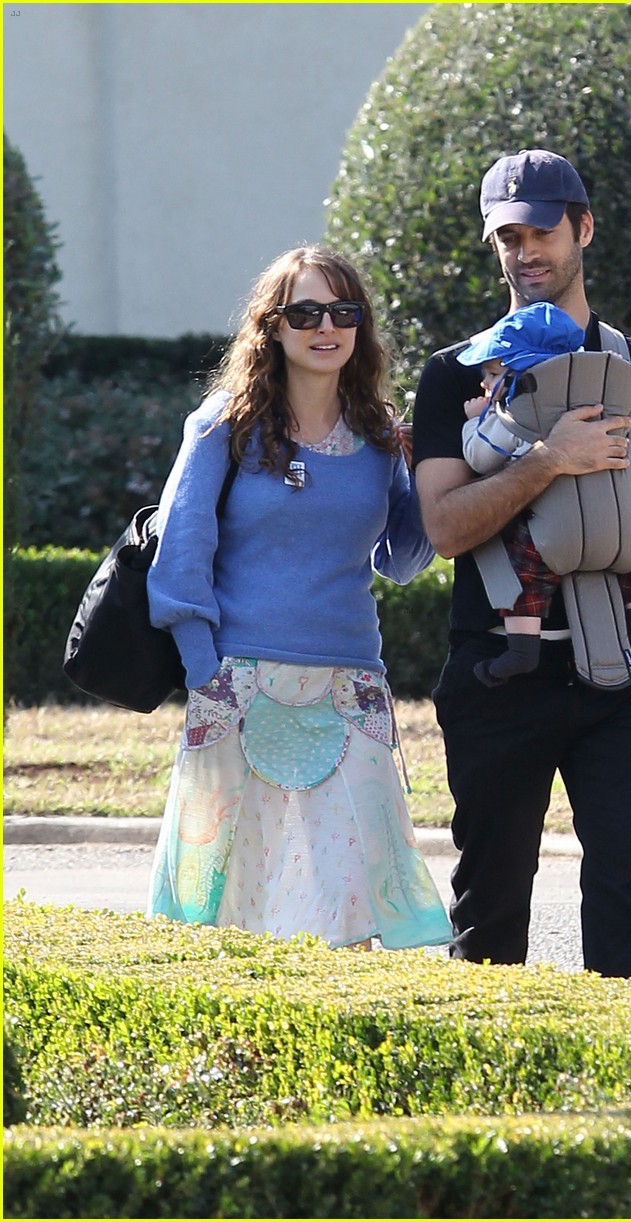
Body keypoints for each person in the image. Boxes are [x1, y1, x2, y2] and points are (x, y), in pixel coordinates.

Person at [412, 149, 631, 978]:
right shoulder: (453, 377)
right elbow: (441, 528)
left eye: (541, 230)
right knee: (488, 916)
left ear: (582, 228)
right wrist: (547, 458)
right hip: (497, 682)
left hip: (629, 682)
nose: (525, 251)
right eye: (507, 236)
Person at [146, 245, 451, 952]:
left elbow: (403, 559)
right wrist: (204, 672)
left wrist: (422, 465)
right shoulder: (225, 424)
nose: (326, 327)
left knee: (351, 896)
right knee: (221, 897)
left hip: (349, 685)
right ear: (272, 327)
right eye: (305, 311)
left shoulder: (378, 434)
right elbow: (180, 554)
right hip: (235, 680)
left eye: (343, 311)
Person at [458, 300, 631, 687]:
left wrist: (475, 423)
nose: (485, 385)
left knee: (524, 579)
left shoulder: (515, 414)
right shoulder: (607, 405)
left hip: (550, 540)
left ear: (521, 373)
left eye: (492, 374)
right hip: (624, 531)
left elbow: (480, 456)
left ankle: (521, 651)